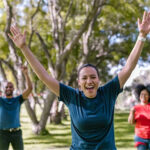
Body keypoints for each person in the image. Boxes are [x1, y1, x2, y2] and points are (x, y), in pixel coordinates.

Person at [8, 11, 150, 150]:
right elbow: (44, 76)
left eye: (93, 77)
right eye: (84, 78)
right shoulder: (72, 96)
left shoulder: (108, 92)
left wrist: (141, 36)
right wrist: (24, 48)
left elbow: (128, 67)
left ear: (99, 80)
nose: (89, 81)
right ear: (79, 82)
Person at [0, 66, 33, 150]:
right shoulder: (1, 101)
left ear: (13, 89)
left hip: (16, 133)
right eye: (6, 87)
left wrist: (26, 74)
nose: (8, 88)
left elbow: (30, 89)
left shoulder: (18, 100)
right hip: (2, 133)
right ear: (3, 89)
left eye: (10, 87)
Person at [128, 84, 150, 150]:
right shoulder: (135, 108)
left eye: (146, 94)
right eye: (141, 94)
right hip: (140, 137)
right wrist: (132, 113)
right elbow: (131, 122)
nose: (143, 96)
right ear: (139, 95)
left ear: (149, 96)